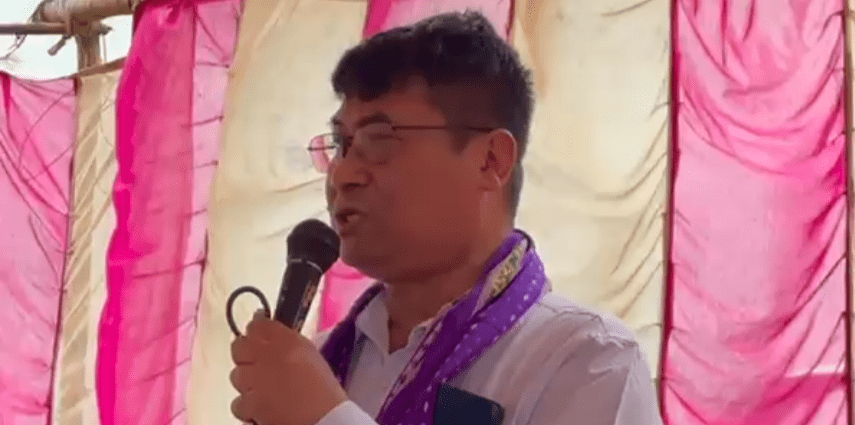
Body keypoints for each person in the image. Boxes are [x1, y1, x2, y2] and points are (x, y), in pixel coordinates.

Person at [229, 10, 663, 425]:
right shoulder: (325, 361)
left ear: (490, 161)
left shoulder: (588, 362)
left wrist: (324, 417)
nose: (342, 174)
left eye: (378, 139)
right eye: (341, 144)